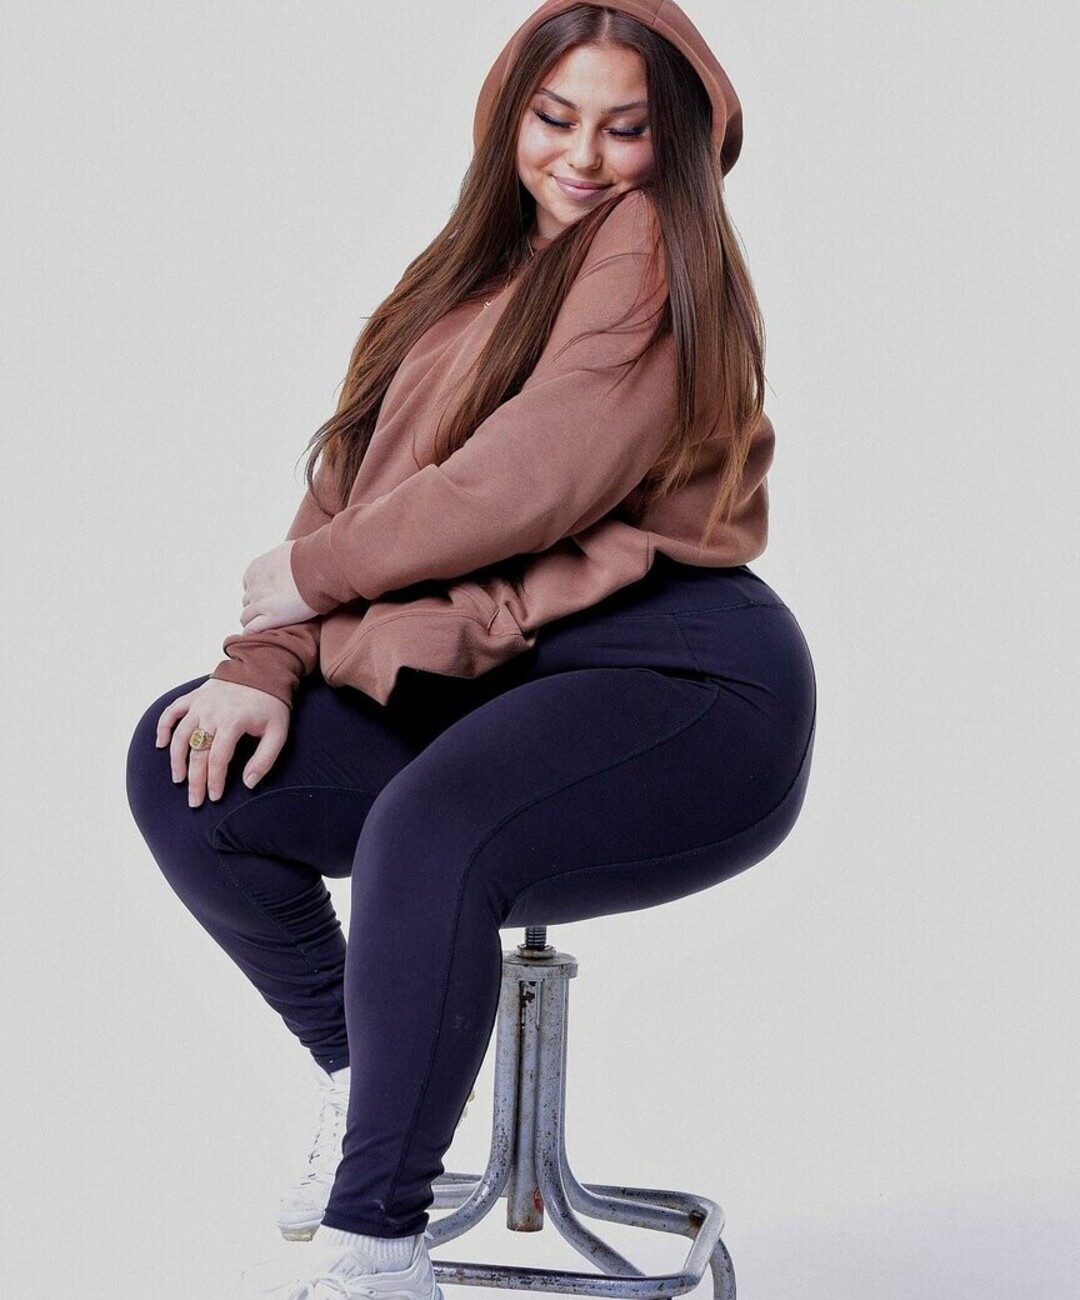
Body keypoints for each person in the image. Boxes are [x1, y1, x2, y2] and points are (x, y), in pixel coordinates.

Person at [126, 1, 817, 1296]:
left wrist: (308, 579)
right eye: (555, 118)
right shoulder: (466, 276)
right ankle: (368, 1076)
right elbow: (355, 480)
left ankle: (376, 1246)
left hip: (679, 674)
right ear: (508, 114)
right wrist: (258, 663)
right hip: (487, 659)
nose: (584, 157)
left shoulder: (653, 246)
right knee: (192, 769)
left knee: (434, 825)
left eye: (625, 127)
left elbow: (521, 484)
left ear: (672, 141)